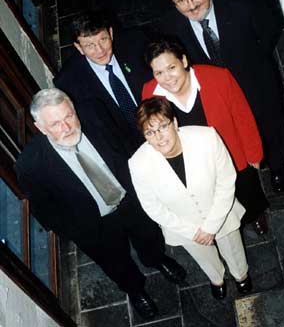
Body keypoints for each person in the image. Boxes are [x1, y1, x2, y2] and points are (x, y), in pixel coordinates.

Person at [15, 88, 186, 320]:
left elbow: (125, 142)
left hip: (129, 199)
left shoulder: (94, 111)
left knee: (148, 234)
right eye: (55, 124)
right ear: (40, 127)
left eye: (69, 116)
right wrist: (78, 230)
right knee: (116, 262)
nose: (67, 127)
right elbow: (45, 211)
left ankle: (157, 258)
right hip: (94, 224)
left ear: (74, 109)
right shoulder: (30, 164)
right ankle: (135, 289)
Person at [160, 0, 284, 193]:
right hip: (215, 94)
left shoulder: (243, 3)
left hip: (255, 83)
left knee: (268, 124)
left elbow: (269, 29)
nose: (191, 5)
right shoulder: (170, 28)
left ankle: (276, 165)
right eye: (181, 0)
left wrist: (255, 59)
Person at [142, 36, 269, 235]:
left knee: (245, 189)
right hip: (193, 159)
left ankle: (254, 215)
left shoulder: (218, 78)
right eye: (159, 73)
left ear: (183, 61)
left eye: (171, 68)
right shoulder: (150, 93)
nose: (167, 78)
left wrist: (253, 153)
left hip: (230, 151)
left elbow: (243, 116)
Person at [129, 97, 252, 300]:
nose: (159, 137)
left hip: (220, 212)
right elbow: (153, 207)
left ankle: (241, 274)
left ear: (175, 123)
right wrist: (193, 232)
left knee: (232, 247)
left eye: (163, 126)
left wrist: (211, 226)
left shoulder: (207, 137)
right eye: (150, 132)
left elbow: (226, 180)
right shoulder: (137, 164)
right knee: (203, 256)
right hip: (185, 227)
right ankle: (217, 278)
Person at [54, 9, 152, 156]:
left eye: (103, 39)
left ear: (111, 33)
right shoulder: (68, 83)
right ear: (79, 47)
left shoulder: (137, 43)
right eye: (90, 45)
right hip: (126, 151)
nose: (99, 50)